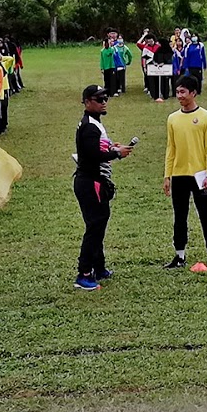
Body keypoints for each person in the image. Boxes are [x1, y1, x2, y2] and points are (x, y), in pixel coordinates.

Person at [74, 85, 134, 290]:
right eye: (99, 99)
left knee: (98, 226)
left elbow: (98, 148)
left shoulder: (93, 124)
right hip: (91, 182)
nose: (104, 102)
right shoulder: (89, 126)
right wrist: (117, 154)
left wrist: (112, 147)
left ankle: (99, 268)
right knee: (95, 227)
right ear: (87, 102)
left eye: (105, 98)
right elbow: (93, 155)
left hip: (94, 182)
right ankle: (83, 274)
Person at [162, 77, 207, 271]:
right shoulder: (172, 118)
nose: (179, 96)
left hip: (200, 175)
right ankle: (179, 255)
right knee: (180, 216)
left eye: (183, 92)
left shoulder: (206, 118)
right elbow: (171, 148)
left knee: (206, 215)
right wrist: (167, 175)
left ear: (193, 93)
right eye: (177, 92)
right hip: (179, 175)